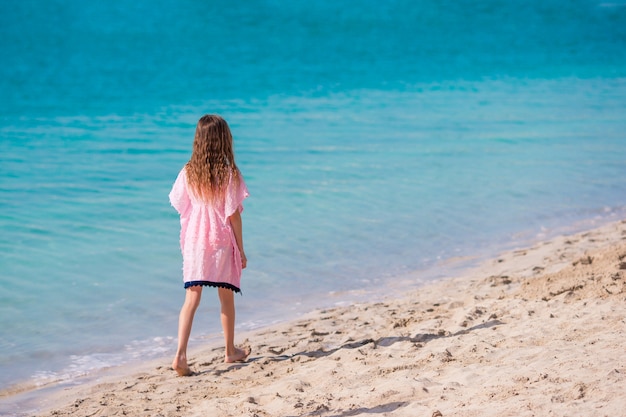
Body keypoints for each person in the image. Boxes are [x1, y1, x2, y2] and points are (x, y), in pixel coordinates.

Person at [169, 114, 250, 376]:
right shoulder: (229, 173)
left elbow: (181, 206)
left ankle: (180, 355)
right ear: (224, 139)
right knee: (226, 296)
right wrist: (242, 249)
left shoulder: (188, 172)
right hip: (220, 240)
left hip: (195, 240)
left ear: (199, 140)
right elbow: (233, 214)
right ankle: (230, 351)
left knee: (191, 298)